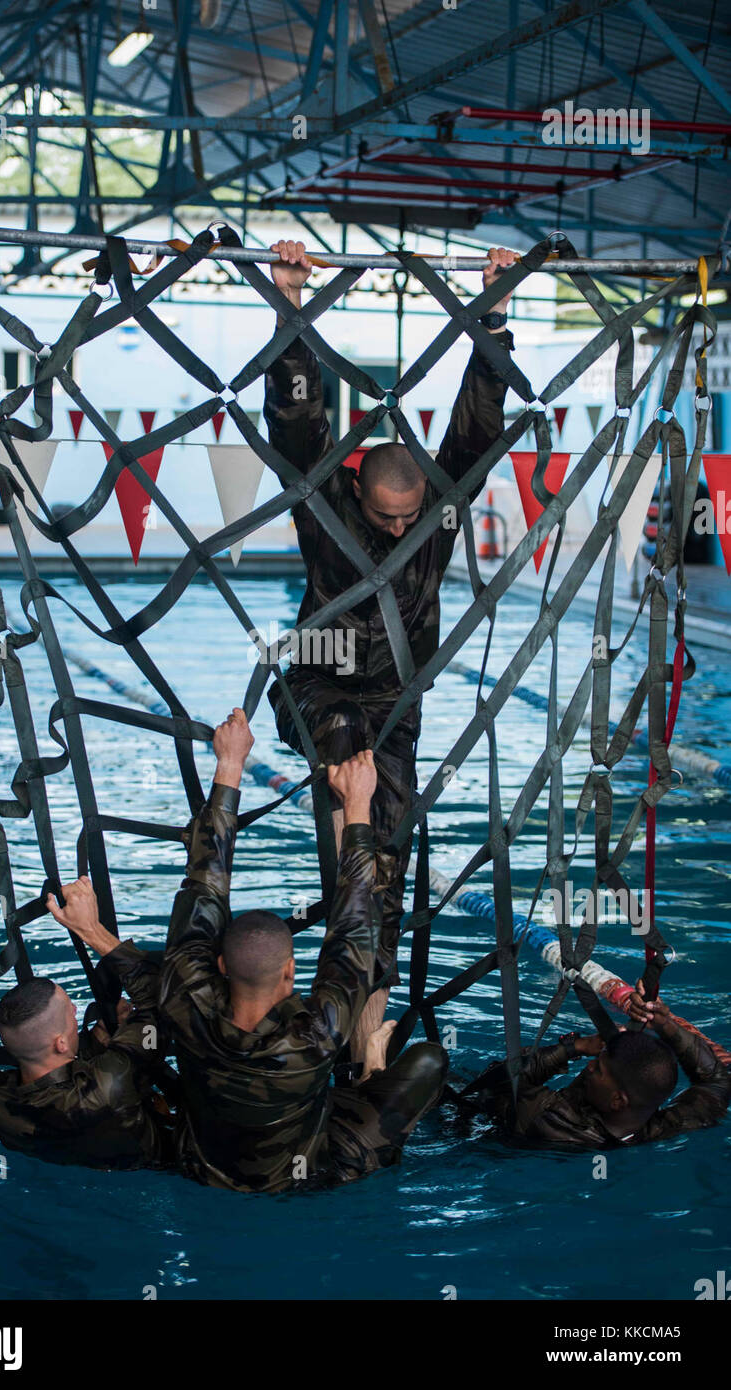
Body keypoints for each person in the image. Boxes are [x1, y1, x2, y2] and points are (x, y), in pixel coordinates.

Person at [263, 239, 519, 1066]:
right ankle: (336, 1005)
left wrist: (494, 313)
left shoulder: (434, 520)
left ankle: (365, 1035)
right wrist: (292, 306)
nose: (403, 531)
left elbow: (475, 433)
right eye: (388, 519)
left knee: (387, 864)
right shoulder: (323, 504)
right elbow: (297, 423)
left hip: (392, 711)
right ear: (359, 495)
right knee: (347, 797)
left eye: (413, 519)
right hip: (313, 691)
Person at [158, 706, 448, 1193]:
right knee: (430, 1061)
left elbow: (204, 886)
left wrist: (229, 765)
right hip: (308, 1175)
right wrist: (357, 803)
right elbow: (355, 925)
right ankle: (367, 1073)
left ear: (221, 965)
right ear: (291, 974)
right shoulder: (317, 1035)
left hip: (201, 1167)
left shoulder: (184, 1000)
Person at [0, 913, 173, 1171]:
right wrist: (95, 933)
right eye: (70, 1011)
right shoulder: (110, 1082)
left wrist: (96, 1039)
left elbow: (57, 1076)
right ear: (60, 1044)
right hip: (161, 1170)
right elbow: (158, 1002)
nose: (75, 1011)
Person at [466, 983, 731, 1148]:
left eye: (599, 1068)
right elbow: (717, 1081)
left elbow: (497, 1079)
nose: (590, 1067)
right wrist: (665, 1024)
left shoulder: (555, 1122)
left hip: (469, 1131)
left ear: (617, 1101)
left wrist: (574, 1048)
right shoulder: (667, 1126)